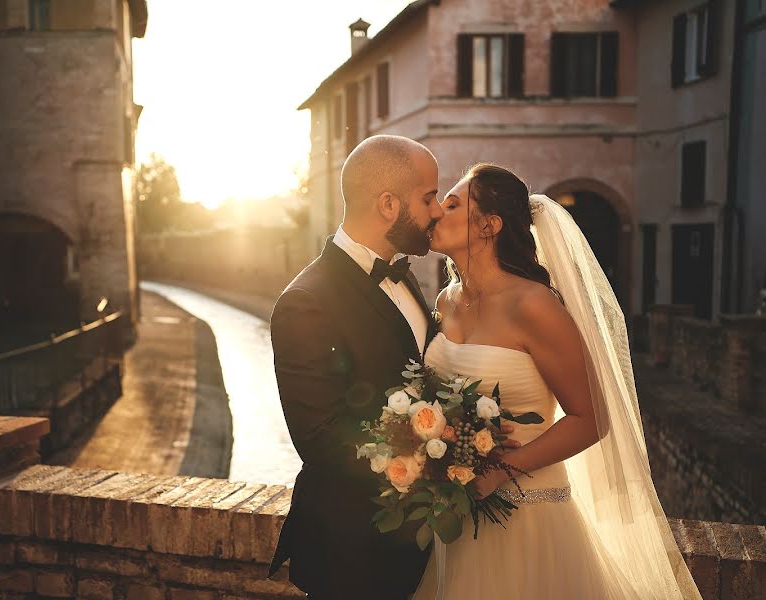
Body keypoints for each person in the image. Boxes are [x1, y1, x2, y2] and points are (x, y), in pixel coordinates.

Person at [412, 164, 701, 599]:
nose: (436, 213)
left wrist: (499, 471)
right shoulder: (446, 300)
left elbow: (591, 419)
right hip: (456, 514)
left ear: (489, 225)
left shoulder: (535, 305)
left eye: (452, 205)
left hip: (527, 514)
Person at [267, 137, 519, 599]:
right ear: (388, 205)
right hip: (355, 554)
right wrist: (443, 462)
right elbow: (321, 439)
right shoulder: (306, 301)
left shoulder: (409, 279)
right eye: (427, 198)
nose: (437, 211)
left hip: (425, 548)